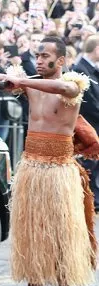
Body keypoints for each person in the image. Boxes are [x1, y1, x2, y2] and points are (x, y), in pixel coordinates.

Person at [0, 36, 96, 286]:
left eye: (45, 56)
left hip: (59, 173)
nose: (40, 60)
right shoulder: (32, 84)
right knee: (32, 238)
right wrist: (10, 78)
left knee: (60, 241)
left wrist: (24, 81)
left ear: (60, 61)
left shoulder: (74, 84)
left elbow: (62, 88)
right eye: (37, 55)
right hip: (32, 169)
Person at [73, 35, 99, 211]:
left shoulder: (92, 70)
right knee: (87, 164)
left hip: (94, 125)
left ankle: (93, 197)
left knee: (94, 165)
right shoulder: (80, 71)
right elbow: (89, 104)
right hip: (87, 126)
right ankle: (85, 197)